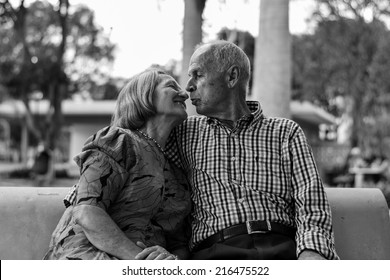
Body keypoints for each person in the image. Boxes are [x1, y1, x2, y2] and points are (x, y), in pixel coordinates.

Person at [165, 40, 339, 260]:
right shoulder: (183, 133)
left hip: (283, 248)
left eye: (197, 75)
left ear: (231, 77)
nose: (188, 86)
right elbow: (138, 155)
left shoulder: (285, 132)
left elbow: (311, 203)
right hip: (216, 255)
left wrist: (311, 254)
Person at [44, 68, 191, 260]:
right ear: (144, 95)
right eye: (172, 86)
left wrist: (170, 261)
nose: (185, 94)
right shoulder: (119, 141)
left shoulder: (177, 175)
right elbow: (87, 213)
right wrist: (141, 263)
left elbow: (179, 244)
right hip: (88, 254)